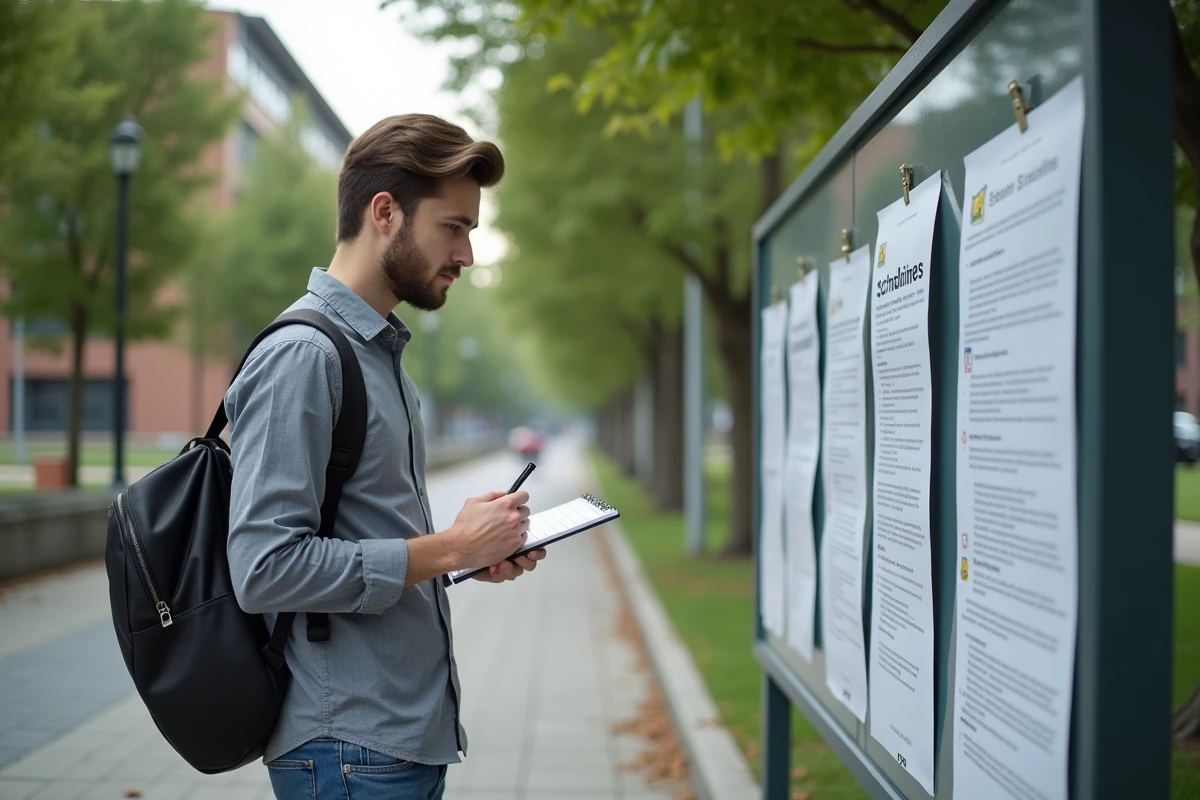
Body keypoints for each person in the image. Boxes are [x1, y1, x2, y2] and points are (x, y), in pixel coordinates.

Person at [223, 113, 546, 800]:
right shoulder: (305, 356)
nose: (465, 254)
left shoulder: (379, 356)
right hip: (348, 749)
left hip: (389, 740)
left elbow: (362, 538)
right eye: (453, 227)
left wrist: (466, 552)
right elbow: (265, 567)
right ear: (385, 212)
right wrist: (448, 549)